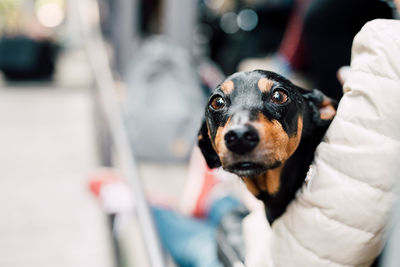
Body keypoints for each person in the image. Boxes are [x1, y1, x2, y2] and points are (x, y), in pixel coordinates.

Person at [242, 6, 400, 267]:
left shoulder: (389, 47)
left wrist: (254, 227)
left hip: (293, 251)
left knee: (194, 226)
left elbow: (318, 248)